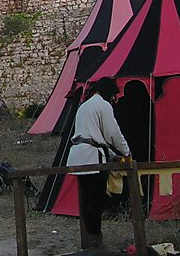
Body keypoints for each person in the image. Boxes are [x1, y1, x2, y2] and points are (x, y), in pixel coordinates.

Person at [67, 77, 131, 250]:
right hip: (91, 157)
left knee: (89, 200)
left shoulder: (84, 106)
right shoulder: (102, 105)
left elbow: (90, 136)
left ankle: (91, 241)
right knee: (97, 200)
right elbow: (112, 133)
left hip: (80, 156)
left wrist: (111, 155)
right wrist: (126, 152)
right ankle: (95, 241)